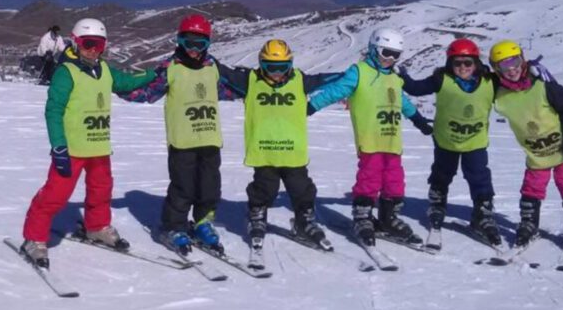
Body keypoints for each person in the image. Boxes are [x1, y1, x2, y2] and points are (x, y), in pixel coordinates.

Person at [19, 18, 156, 268]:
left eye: (99, 45)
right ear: (76, 42)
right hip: (71, 149)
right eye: (87, 43)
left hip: (99, 147)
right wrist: (58, 145)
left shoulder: (104, 70)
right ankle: (34, 238)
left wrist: (154, 74)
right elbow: (53, 111)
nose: (93, 50)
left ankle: (97, 226)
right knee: (55, 195)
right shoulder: (66, 73)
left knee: (101, 190)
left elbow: (125, 81)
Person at [121, 14, 244, 255]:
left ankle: (202, 221)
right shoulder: (171, 68)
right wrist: (117, 87)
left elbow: (232, 90)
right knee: (183, 187)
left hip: (210, 139)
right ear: (179, 41)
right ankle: (173, 226)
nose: (194, 50)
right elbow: (147, 91)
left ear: (208, 44)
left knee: (210, 187)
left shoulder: (213, 68)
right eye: (189, 43)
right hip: (182, 141)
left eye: (200, 44)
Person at [307, 27, 433, 247]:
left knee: (395, 180)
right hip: (370, 139)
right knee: (370, 176)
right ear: (374, 49)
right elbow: (336, 90)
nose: (390, 59)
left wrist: (419, 120)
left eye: (396, 55)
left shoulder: (394, 77)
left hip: (392, 140)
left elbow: (403, 102)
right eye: (386, 53)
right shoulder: (359, 72)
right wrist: (311, 106)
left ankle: (388, 217)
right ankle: (363, 216)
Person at [213, 39, 339, 250]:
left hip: (292, 152)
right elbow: (224, 72)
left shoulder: (300, 80)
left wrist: (354, 73)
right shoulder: (251, 80)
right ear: (261, 64)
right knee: (264, 189)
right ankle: (257, 215)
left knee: (302, 189)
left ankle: (304, 220)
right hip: (265, 151)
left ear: (290, 64)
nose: (276, 72)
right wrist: (206, 56)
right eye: (270, 67)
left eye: (282, 67)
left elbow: (326, 79)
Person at [399, 38, 501, 245]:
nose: (463, 67)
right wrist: (402, 76)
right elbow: (415, 89)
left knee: (479, 177)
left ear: (476, 63)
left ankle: (482, 214)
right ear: (449, 63)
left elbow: (515, 84)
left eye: (468, 63)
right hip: (446, 140)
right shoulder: (441, 79)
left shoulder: (492, 81)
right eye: (457, 63)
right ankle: (437, 203)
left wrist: (532, 73)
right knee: (442, 173)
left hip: (475, 142)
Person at [488, 40, 563, 249]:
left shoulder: (542, 85)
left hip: (561, 146)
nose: (511, 69)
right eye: (504, 65)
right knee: (532, 186)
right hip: (536, 153)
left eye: (514, 61)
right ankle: (529, 223)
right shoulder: (499, 92)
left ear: (522, 60)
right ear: (496, 69)